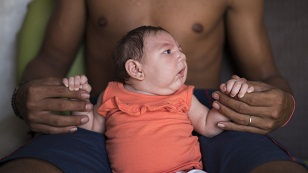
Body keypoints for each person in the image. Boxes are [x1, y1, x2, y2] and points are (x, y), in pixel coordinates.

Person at [0, 0, 307, 173]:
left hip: (202, 106)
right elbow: (51, 59)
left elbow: (267, 75)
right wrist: (24, 95)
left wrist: (284, 105)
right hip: (106, 110)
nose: (180, 55)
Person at [63, 26, 254, 172]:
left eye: (180, 50)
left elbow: (208, 125)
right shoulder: (112, 95)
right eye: (168, 51)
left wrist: (232, 97)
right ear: (136, 69)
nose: (182, 56)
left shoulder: (183, 95)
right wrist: (78, 99)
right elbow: (91, 125)